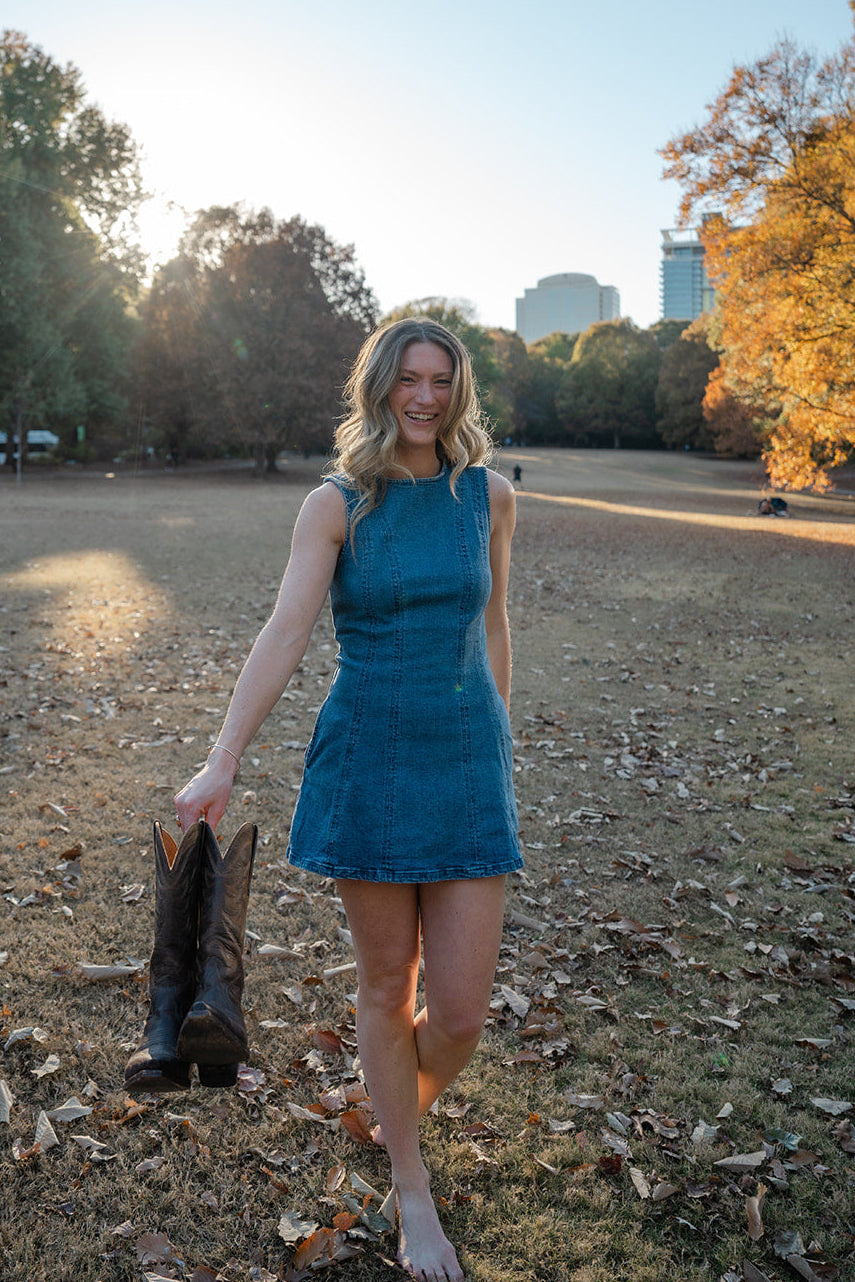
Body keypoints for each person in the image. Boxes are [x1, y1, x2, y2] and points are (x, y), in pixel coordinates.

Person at [174, 318, 522, 1282]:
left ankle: (389, 1106)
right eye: (408, 379)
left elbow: (494, 628)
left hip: (464, 765)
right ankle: (409, 1186)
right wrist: (222, 758)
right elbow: (286, 631)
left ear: (458, 393)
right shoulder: (337, 505)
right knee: (385, 984)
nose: (424, 397)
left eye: (441, 381)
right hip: (368, 760)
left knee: (457, 1015)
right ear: (379, 388)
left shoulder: (486, 497)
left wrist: (500, 736)